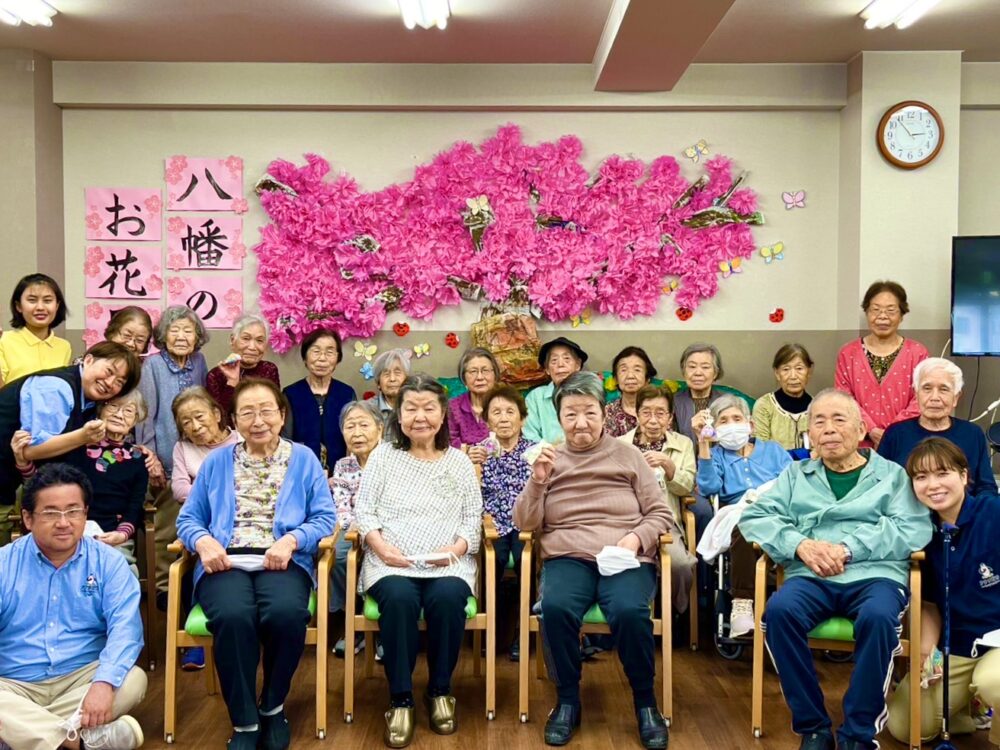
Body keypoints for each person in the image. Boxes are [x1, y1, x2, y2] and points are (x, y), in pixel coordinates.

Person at [739, 388, 933, 750]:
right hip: (811, 576)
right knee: (778, 613)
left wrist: (849, 548)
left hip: (875, 576)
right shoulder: (796, 475)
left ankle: (858, 733)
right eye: (819, 422)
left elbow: (914, 527)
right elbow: (755, 516)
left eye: (838, 419)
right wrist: (800, 544)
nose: (828, 429)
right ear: (809, 434)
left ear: (861, 429)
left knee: (878, 618)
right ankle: (813, 727)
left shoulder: (891, 475)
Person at [514, 371, 672, 749]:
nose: (580, 423)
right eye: (570, 414)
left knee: (630, 612)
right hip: (568, 556)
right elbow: (525, 522)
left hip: (624, 555)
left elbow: (660, 514)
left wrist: (634, 539)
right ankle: (567, 700)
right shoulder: (548, 458)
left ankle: (645, 702)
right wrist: (538, 481)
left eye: (589, 412)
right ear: (559, 418)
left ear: (604, 414)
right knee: (554, 607)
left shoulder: (628, 454)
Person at [176, 378, 335, 749]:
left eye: (267, 411)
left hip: (282, 559)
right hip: (225, 561)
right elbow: (189, 518)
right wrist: (203, 542)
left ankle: (272, 706)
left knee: (286, 613)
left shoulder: (304, 458)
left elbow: (325, 518)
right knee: (232, 616)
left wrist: (292, 539)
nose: (258, 419)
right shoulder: (217, 462)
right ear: (233, 419)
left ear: (281, 416)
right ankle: (245, 721)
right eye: (247, 412)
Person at [353, 374, 482, 748]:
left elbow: (472, 517)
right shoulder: (383, 456)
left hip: (448, 562)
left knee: (446, 599)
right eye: (411, 408)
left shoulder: (457, 461)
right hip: (391, 561)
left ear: (443, 415)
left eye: (429, 408)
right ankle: (401, 697)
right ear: (398, 414)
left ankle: (440, 690)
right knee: (399, 600)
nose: (420, 417)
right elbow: (365, 510)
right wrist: (378, 546)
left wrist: (456, 550)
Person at [0, 464, 147, 750]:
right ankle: (78, 742)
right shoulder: (4, 564)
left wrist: (103, 684)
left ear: (85, 513)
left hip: (82, 678)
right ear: (28, 518)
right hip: (13, 682)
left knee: (132, 678)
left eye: (73, 511)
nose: (64, 522)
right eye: (51, 512)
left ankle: (19, 733)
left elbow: (126, 631)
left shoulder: (108, 562)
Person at [887, 437, 1000, 747]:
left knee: (995, 682)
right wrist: (926, 652)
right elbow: (931, 604)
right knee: (906, 726)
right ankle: (967, 708)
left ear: (964, 476)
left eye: (942, 473)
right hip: (959, 645)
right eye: (921, 477)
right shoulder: (920, 532)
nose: (932, 485)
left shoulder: (993, 512)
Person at [0, 341, 141, 545]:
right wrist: (82, 437)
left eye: (119, 382)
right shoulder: (56, 387)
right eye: (109, 371)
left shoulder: (90, 403)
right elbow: (30, 450)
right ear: (89, 359)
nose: (110, 383)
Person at [12, 389, 149, 573]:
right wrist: (23, 461)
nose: (119, 415)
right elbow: (40, 485)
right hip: (64, 528)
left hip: (110, 536)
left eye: (128, 411)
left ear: (136, 420)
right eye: (113, 406)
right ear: (100, 410)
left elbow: (135, 505)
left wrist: (121, 534)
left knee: (120, 574)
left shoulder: (139, 458)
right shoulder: (75, 444)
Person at [693, 394, 792, 637]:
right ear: (714, 429)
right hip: (742, 516)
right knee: (744, 525)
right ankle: (742, 605)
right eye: (723, 421)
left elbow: (793, 482)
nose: (731, 424)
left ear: (750, 425)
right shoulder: (717, 456)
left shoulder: (773, 451)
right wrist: (703, 444)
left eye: (736, 418)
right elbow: (708, 488)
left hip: (777, 511)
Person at [135, 305, 209, 597]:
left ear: (197, 336)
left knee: (198, 525)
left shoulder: (199, 362)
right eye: (174, 330)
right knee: (167, 529)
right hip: (164, 459)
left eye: (187, 330)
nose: (181, 336)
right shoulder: (153, 365)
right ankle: (166, 591)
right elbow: (145, 414)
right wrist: (150, 458)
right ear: (162, 336)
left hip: (196, 458)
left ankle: (192, 587)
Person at [170, 386, 243, 671]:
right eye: (186, 422)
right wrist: (213, 498)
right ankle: (196, 642)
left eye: (199, 416)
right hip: (200, 522)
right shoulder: (182, 448)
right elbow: (178, 488)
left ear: (216, 413)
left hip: (238, 522)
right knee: (190, 564)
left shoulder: (240, 440)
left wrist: (202, 491)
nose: (195, 426)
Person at [619, 384, 697, 614]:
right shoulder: (621, 444)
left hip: (665, 521)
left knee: (680, 565)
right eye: (646, 412)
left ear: (670, 417)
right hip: (627, 520)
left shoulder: (683, 444)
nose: (653, 420)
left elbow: (687, 488)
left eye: (660, 413)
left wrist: (669, 466)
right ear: (637, 414)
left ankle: (675, 612)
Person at [879, 357, 998, 498]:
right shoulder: (896, 433)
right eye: (927, 388)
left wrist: (979, 515)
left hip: (963, 516)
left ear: (956, 398)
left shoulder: (972, 433)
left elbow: (986, 487)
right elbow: (880, 485)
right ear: (916, 395)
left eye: (944, 389)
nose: (934, 397)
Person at [835, 280, 929, 448]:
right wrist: (870, 429)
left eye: (891, 310)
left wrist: (891, 432)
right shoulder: (848, 353)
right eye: (876, 310)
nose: (882, 316)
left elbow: (921, 398)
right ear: (866, 313)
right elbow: (844, 398)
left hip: (905, 441)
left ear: (901, 315)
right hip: (858, 442)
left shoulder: (918, 353)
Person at [478, 384, 532, 659]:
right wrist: (471, 464)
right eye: (496, 412)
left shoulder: (535, 452)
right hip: (493, 525)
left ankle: (523, 637)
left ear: (522, 418)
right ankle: (490, 633)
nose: (504, 418)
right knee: (492, 561)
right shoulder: (479, 452)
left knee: (527, 561)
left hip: (526, 524)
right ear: (487, 419)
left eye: (510, 411)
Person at [328, 400, 383, 657]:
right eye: (350, 426)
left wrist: (373, 530)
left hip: (387, 528)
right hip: (354, 529)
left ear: (380, 429)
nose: (357, 432)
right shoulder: (342, 465)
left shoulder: (393, 460)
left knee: (383, 560)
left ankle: (384, 627)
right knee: (338, 557)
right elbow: (341, 505)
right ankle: (354, 620)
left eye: (364, 425)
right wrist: (356, 529)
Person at [283, 328, 356, 474]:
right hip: (301, 470)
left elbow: (353, 436)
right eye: (316, 351)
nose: (322, 358)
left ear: (337, 358)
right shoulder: (290, 393)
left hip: (340, 473)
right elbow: (286, 441)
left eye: (329, 352)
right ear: (305, 357)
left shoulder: (347, 393)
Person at [0, 273, 72, 386]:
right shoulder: (4, 340)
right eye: (32, 300)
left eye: (47, 301)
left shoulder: (64, 346)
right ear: (18, 306)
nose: (40, 307)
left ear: (57, 306)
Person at [206, 314, 281, 417]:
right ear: (233, 341)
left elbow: (274, 410)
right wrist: (232, 382)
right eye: (246, 338)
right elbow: (218, 418)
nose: (252, 347)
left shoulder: (269, 369)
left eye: (259, 340)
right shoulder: (215, 375)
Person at [523, 337, 587, 444]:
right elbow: (529, 435)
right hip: (546, 457)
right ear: (547, 369)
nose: (560, 364)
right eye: (554, 360)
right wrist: (549, 453)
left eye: (566, 359)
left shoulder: (589, 393)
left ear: (578, 365)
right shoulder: (535, 397)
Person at [752, 343, 814, 451]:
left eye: (799, 368)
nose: (793, 376)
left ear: (809, 371)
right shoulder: (764, 406)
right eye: (786, 369)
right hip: (775, 468)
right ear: (777, 373)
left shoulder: (818, 407)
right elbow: (760, 452)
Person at [672, 342, 728, 446]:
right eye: (692, 367)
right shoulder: (673, 402)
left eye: (705, 367)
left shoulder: (727, 403)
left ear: (715, 373)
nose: (698, 373)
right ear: (684, 372)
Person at [447, 347, 499, 450]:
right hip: (462, 462)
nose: (480, 377)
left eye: (485, 370)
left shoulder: (506, 404)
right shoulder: (453, 407)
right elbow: (448, 442)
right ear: (464, 378)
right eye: (473, 371)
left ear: (495, 375)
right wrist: (467, 452)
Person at [605, 346, 657, 438]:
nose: (630, 375)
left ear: (647, 378)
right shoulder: (606, 412)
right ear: (616, 379)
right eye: (623, 370)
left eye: (637, 370)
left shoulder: (660, 411)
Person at [370, 348, 411, 419]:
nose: (392, 379)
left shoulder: (416, 405)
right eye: (386, 374)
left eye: (397, 373)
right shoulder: (368, 409)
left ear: (407, 379)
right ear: (378, 384)